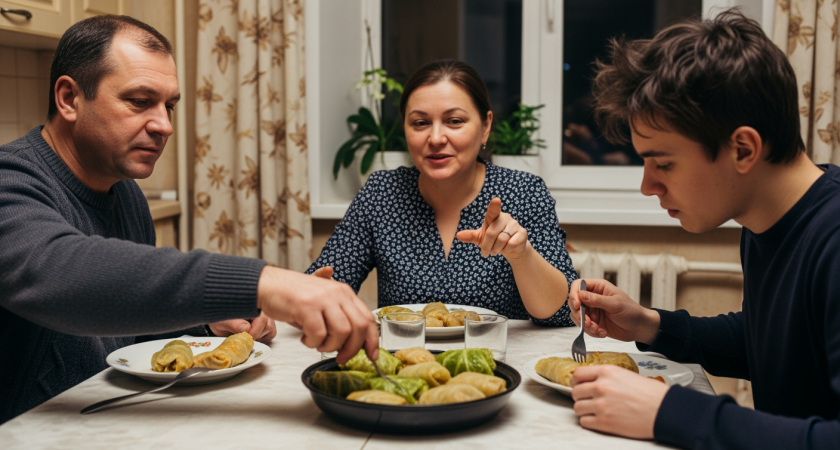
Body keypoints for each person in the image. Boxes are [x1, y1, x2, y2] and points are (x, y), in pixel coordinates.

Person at [0, 15, 377, 424]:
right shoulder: (9, 181)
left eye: (169, 106)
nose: (164, 125)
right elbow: (61, 271)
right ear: (69, 98)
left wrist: (207, 325)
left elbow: (128, 329)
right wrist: (263, 284)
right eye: (139, 101)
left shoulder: (126, 194)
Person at [565, 10, 840, 449]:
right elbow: (769, 343)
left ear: (743, 149)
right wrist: (648, 324)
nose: (647, 186)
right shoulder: (766, 220)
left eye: (664, 163)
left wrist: (669, 412)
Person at [309, 60, 575, 326]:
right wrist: (312, 295)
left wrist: (521, 254)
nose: (436, 138)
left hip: (496, 353)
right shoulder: (381, 193)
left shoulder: (524, 192)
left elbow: (563, 312)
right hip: (404, 352)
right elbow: (320, 284)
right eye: (420, 123)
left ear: (485, 126)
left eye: (454, 121)